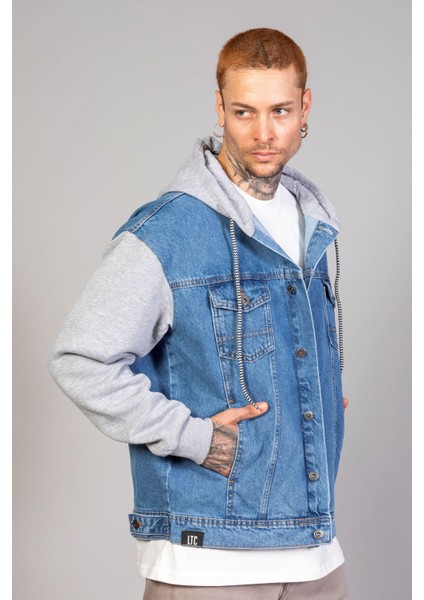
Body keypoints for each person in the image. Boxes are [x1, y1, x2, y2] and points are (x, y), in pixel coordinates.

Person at [49, 28, 350, 599]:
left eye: (280, 111)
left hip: (314, 551)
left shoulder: (312, 223)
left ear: (305, 106)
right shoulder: (168, 230)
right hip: (208, 557)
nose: (264, 133)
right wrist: (194, 438)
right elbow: (79, 359)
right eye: (244, 112)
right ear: (219, 108)